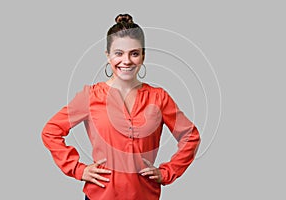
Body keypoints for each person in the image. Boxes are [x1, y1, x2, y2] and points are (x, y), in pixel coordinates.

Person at [42, 13, 201, 200]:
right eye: (119, 53)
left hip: (145, 196)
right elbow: (51, 131)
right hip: (99, 196)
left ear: (143, 56)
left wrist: (167, 172)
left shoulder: (159, 98)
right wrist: (78, 169)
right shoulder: (90, 96)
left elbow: (191, 137)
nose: (126, 61)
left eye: (134, 53)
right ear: (108, 56)